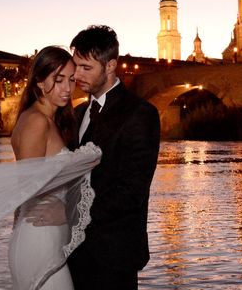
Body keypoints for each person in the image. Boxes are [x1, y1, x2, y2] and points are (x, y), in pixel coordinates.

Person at [67, 25, 160, 290]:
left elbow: (132, 191)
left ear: (110, 66)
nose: (77, 75)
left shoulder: (140, 114)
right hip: (73, 253)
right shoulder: (78, 112)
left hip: (114, 255)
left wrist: (74, 216)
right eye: (76, 66)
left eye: (86, 68)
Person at [9, 45, 98, 290]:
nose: (68, 88)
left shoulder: (50, 120)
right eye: (58, 80)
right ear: (39, 81)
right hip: (38, 237)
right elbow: (28, 188)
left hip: (48, 238)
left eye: (71, 80)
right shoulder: (36, 121)